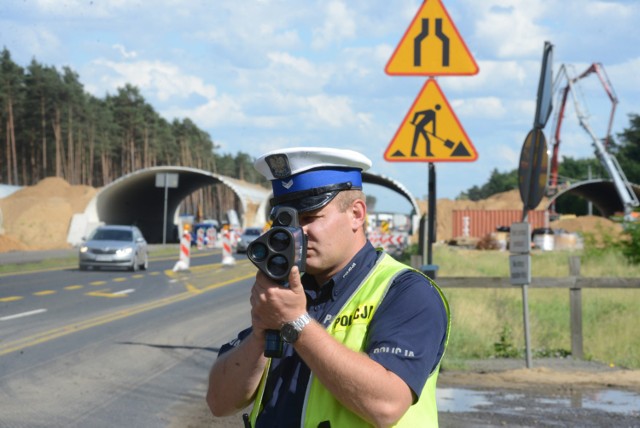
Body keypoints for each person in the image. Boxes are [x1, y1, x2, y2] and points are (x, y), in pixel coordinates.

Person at [206, 147, 450, 427]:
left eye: (310, 218)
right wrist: (262, 333)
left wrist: (297, 323)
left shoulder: (407, 292)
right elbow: (218, 402)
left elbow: (386, 404)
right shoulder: (290, 291)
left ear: (356, 214)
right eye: (288, 222)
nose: (297, 234)